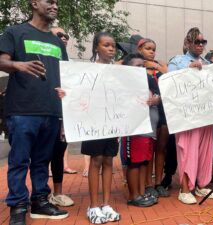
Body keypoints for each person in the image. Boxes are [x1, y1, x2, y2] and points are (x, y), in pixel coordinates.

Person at [0, 0, 69, 224]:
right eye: (49, 1)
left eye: (57, 3)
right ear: (34, 3)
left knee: (42, 161)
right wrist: (18, 65)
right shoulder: (15, 32)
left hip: (51, 110)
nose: (54, 5)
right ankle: (18, 206)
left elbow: (67, 75)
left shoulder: (58, 42)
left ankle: (40, 200)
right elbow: (1, 60)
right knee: (19, 160)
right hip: (22, 109)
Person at [57, 32, 121, 224]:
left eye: (113, 46)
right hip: (93, 123)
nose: (111, 49)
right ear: (96, 47)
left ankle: (106, 204)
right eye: (106, 45)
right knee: (96, 160)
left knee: (109, 160)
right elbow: (76, 92)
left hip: (112, 122)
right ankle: (93, 206)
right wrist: (65, 94)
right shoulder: (86, 70)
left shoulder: (119, 73)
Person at [168, 27, 213, 204]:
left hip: (207, 116)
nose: (200, 45)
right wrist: (188, 69)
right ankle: (184, 189)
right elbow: (170, 83)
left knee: (206, 151)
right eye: (196, 41)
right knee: (187, 151)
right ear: (187, 43)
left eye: (203, 42)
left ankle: (202, 184)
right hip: (187, 117)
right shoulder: (177, 60)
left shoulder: (208, 63)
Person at [122, 53, 160, 207]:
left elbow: (159, 94)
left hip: (150, 129)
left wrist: (157, 99)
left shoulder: (149, 80)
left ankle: (142, 192)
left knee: (144, 162)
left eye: (143, 66)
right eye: (137, 66)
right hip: (135, 129)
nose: (141, 69)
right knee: (134, 163)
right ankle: (133, 196)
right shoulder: (124, 83)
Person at [137, 38, 170, 198]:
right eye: (148, 48)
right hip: (146, 111)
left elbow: (170, 81)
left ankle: (158, 182)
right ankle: (148, 184)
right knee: (149, 147)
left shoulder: (160, 65)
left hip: (163, 110)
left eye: (153, 49)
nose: (151, 52)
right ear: (140, 49)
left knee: (161, 148)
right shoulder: (137, 65)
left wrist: (156, 66)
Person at [47, 26, 75, 208]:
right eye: (59, 35)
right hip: (42, 113)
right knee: (39, 157)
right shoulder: (42, 59)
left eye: (66, 35)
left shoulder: (70, 64)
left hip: (62, 117)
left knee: (58, 154)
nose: (63, 38)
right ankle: (39, 194)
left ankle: (57, 193)